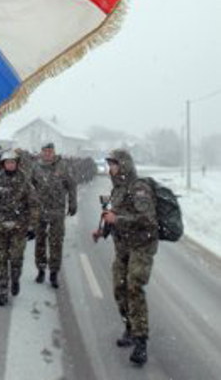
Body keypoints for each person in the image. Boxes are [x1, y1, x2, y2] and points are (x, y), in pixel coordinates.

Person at [92, 149, 158, 367]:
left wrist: (117, 218)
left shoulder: (139, 188)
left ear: (124, 165)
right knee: (118, 289)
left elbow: (147, 220)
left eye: (113, 164)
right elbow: (115, 219)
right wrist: (103, 231)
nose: (110, 168)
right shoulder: (118, 189)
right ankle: (130, 327)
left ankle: (141, 342)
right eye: (109, 164)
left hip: (141, 247)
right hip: (123, 247)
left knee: (134, 287)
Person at [0, 149, 38, 306]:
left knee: (16, 258)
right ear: (3, 164)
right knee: (0, 259)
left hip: (19, 226)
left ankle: (15, 278)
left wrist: (32, 225)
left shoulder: (25, 181)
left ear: (17, 164)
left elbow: (33, 204)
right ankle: (3, 289)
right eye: (7, 162)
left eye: (13, 162)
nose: (10, 165)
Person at [31, 142, 77, 288]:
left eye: (50, 151)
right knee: (40, 241)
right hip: (40, 210)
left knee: (56, 242)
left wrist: (72, 202)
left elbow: (71, 185)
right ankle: (41, 269)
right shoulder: (36, 167)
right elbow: (30, 186)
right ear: (42, 152)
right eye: (45, 151)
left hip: (57, 210)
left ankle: (54, 272)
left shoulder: (62, 166)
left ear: (54, 152)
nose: (47, 154)